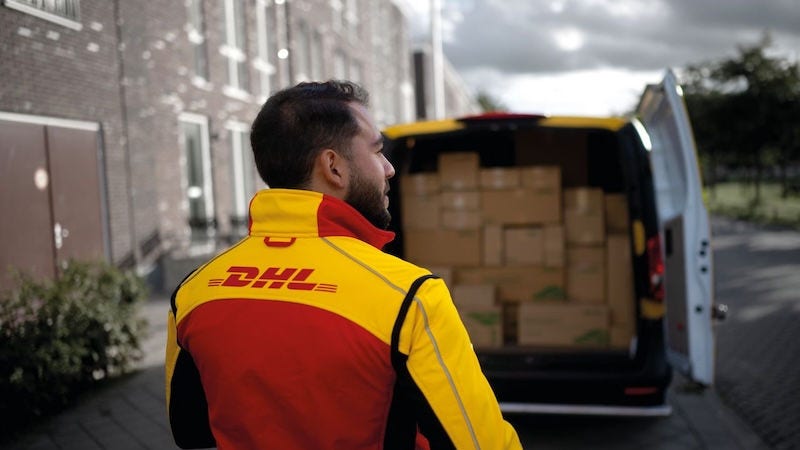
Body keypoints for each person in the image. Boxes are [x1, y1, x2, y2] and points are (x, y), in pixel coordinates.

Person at [165, 80, 521, 450]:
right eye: (378, 151)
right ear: (333, 167)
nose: (389, 169)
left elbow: (190, 430)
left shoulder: (193, 291)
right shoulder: (410, 297)